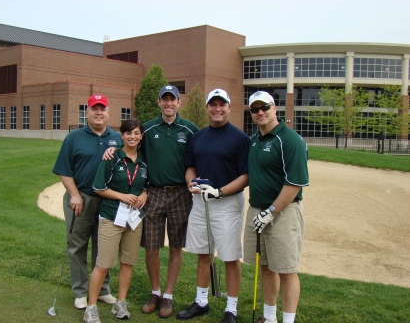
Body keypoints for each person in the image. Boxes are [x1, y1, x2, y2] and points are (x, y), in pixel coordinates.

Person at [103, 85, 199, 318]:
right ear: (159, 102)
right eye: (164, 99)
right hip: (153, 193)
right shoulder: (147, 128)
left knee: (176, 246)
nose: (168, 104)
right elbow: (130, 145)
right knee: (152, 247)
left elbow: (198, 157)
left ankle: (168, 296)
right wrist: (112, 149)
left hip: (180, 195)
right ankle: (155, 292)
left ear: (179, 102)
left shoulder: (190, 129)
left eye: (172, 100)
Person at [177, 89, 250, 323]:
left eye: (222, 104)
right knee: (202, 253)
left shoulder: (240, 139)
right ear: (207, 108)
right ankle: (201, 301)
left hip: (227, 203)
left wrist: (220, 191)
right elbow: (190, 168)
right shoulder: (198, 137)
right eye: (213, 105)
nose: (217, 109)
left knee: (229, 256)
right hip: (200, 202)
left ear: (229, 107)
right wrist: (192, 183)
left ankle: (231, 309)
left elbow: (246, 176)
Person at [243, 91, 309, 323]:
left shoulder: (290, 140)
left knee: (287, 269)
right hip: (257, 211)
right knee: (266, 267)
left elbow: (295, 183)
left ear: (274, 108)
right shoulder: (254, 140)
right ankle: (269, 318)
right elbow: (249, 175)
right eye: (255, 109)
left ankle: (288, 321)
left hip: (282, 213)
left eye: (265, 107)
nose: (260, 112)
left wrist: (271, 212)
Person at [52, 94, 122, 309]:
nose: (98, 113)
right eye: (94, 109)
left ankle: (102, 289)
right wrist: (74, 194)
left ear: (108, 112)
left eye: (102, 109)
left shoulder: (118, 138)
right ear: (87, 112)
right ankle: (81, 291)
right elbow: (64, 170)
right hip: (81, 199)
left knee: (105, 247)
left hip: (108, 201)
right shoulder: (74, 138)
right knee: (77, 246)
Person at [83, 118, 148, 322]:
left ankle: (120, 303)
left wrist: (144, 193)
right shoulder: (112, 157)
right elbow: (98, 187)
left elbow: (145, 183)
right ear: (122, 135)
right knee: (103, 264)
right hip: (112, 217)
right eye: (128, 133)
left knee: (127, 263)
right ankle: (91, 308)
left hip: (133, 220)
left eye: (136, 133)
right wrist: (122, 196)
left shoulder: (144, 160)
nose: (132, 137)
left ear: (141, 136)